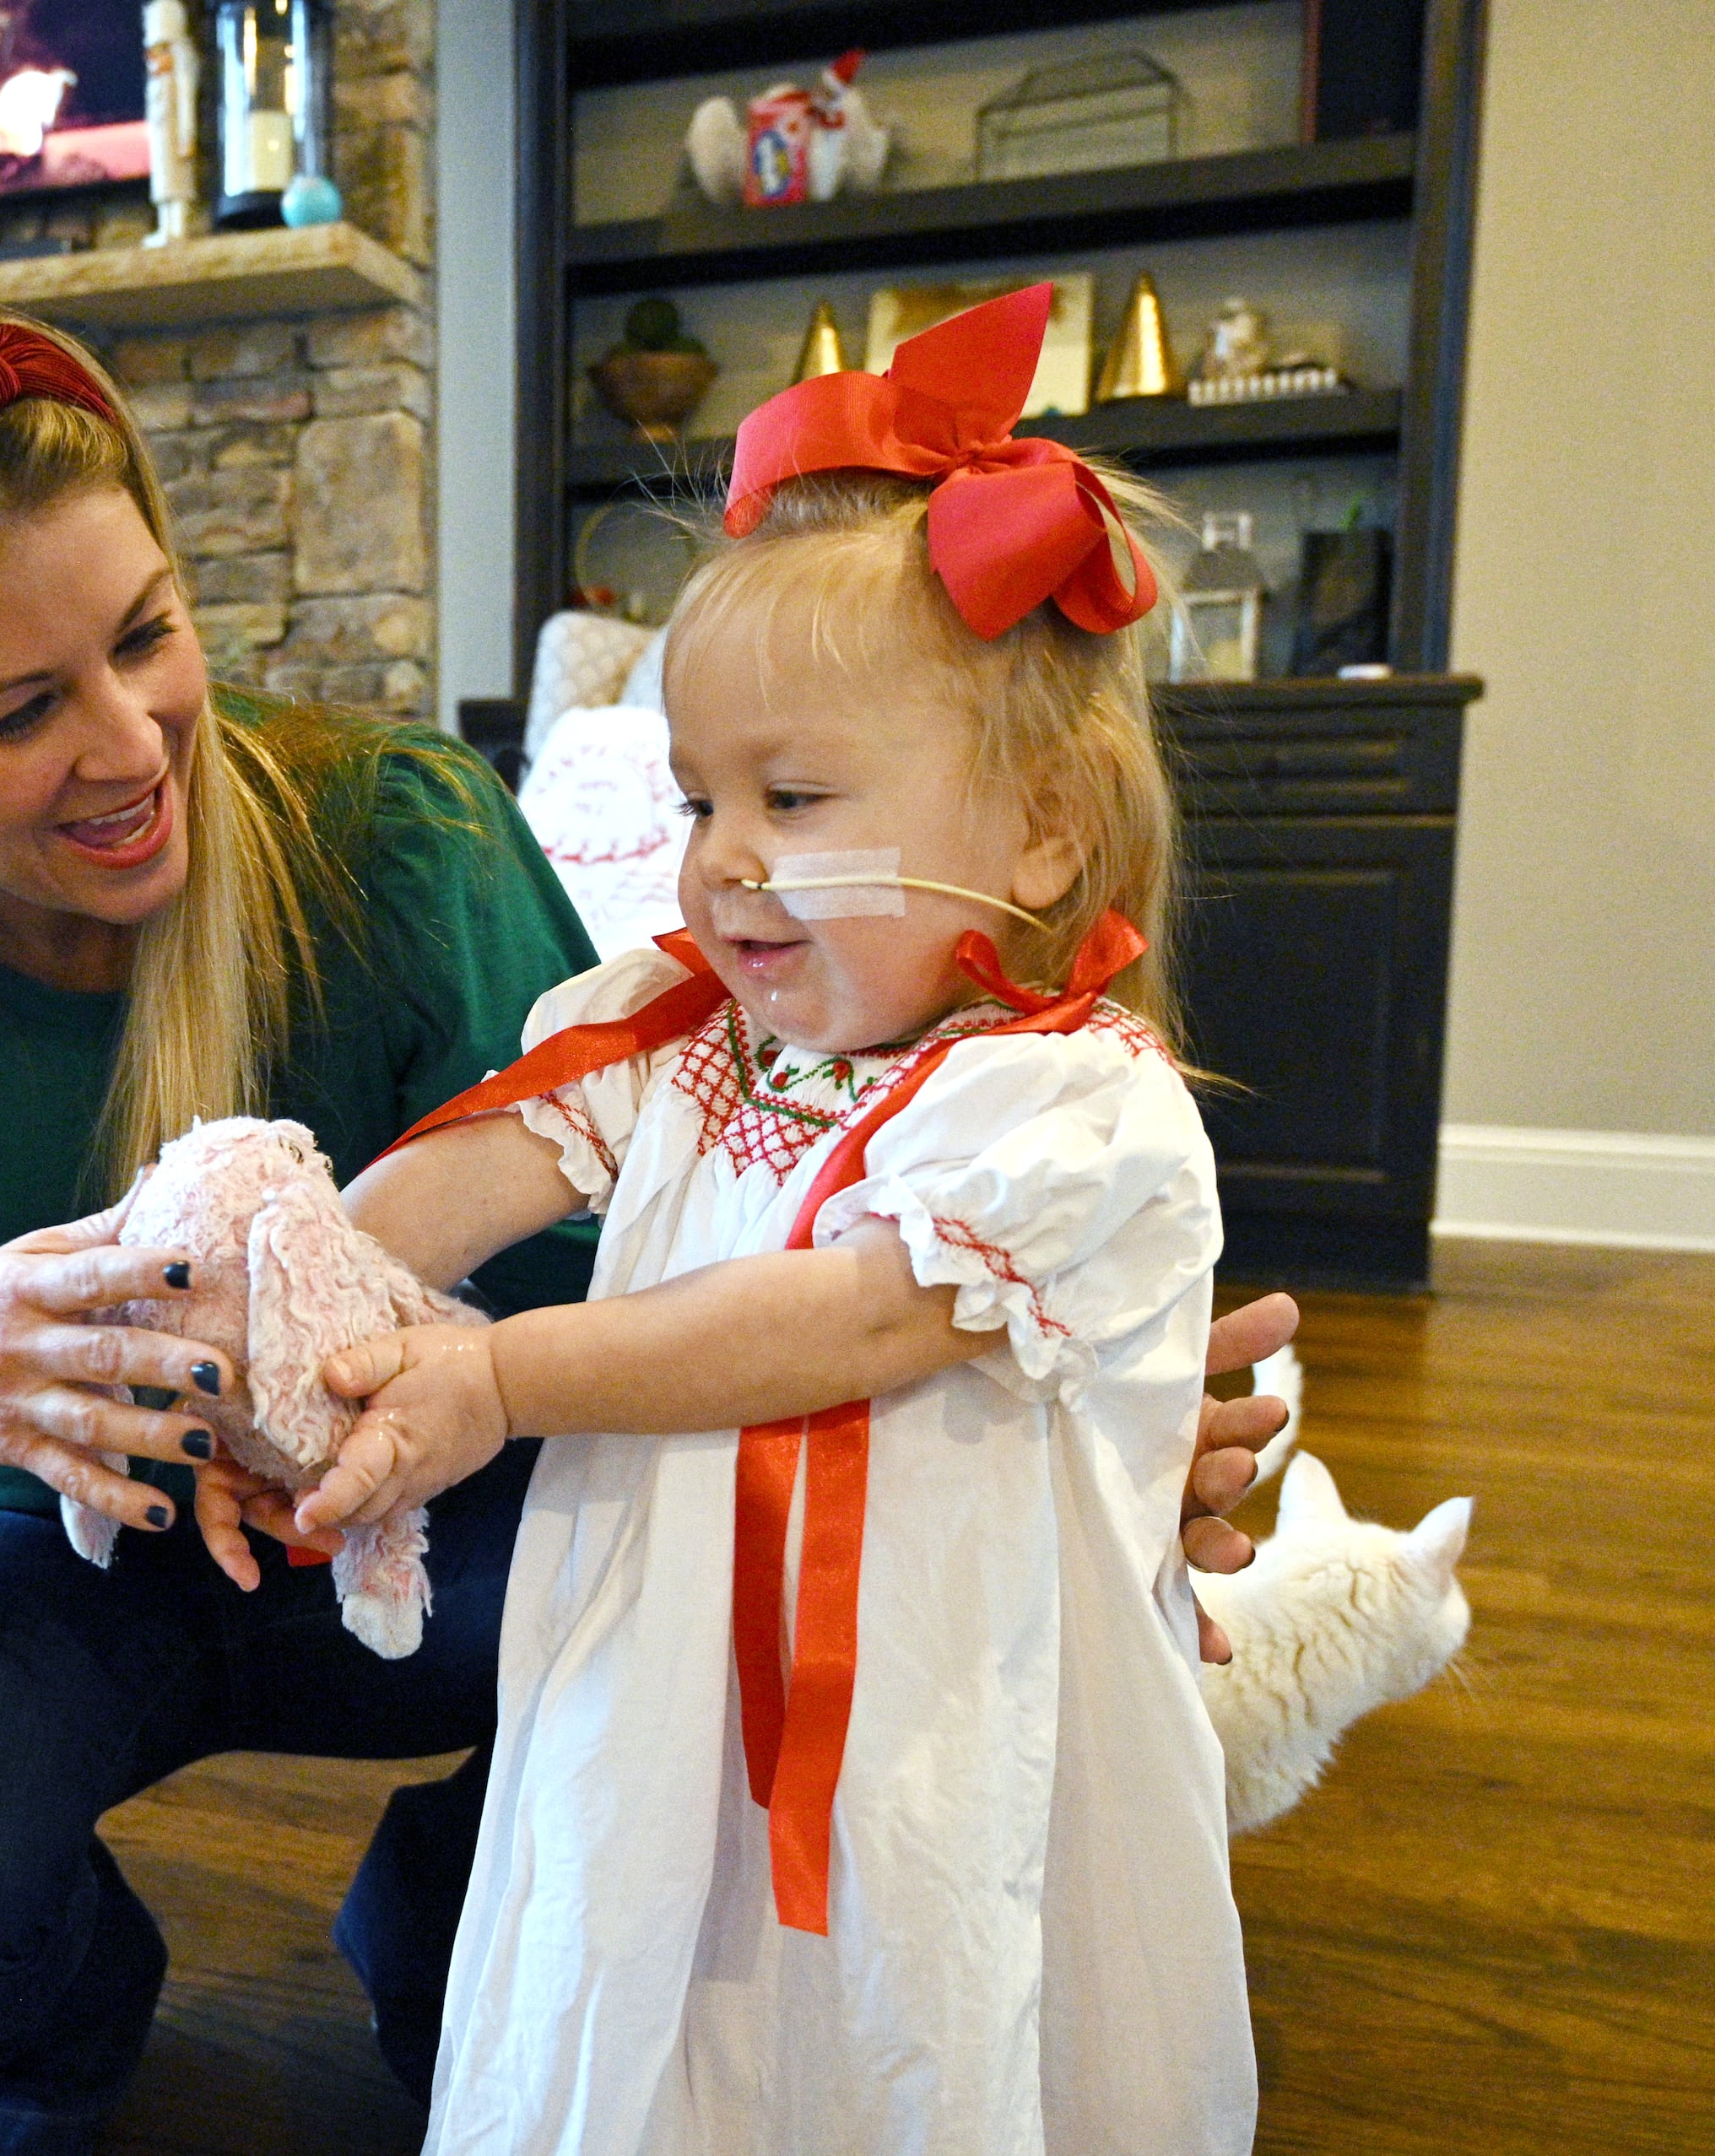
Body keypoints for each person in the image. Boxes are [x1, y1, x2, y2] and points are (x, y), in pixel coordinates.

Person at [0, 286, 1293, 2156]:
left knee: (714, 1674)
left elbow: (659, 1283)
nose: (133, 743)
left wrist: (1008, 1418)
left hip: (453, 1518)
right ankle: (56, 2021)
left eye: (147, 637)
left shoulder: (390, 833)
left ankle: (458, 1886)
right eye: (22, 711)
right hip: (52, 1567)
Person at [285, 284, 1253, 2153]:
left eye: (792, 797)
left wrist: (505, 1377)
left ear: (1043, 832)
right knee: (639, 1991)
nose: (720, 856)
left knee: (907, 2021)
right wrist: (292, 1273)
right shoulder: (682, 1035)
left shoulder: (1069, 1108)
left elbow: (856, 1318)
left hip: (932, 1738)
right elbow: (478, 1169)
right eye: (696, 796)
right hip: (650, 1696)